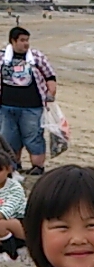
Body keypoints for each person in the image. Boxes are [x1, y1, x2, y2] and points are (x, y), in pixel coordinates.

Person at [0, 27, 56, 176]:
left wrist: (51, 93)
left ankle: (37, 167)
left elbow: (50, 76)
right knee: (9, 139)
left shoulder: (37, 57)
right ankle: (14, 166)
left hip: (32, 107)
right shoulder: (2, 58)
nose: (26, 43)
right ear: (13, 41)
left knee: (33, 138)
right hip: (6, 107)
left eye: (27, 40)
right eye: (22, 40)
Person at [0, 149, 26, 260]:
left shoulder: (15, 188)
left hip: (19, 223)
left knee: (1, 224)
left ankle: (12, 253)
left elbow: (8, 210)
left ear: (9, 169)